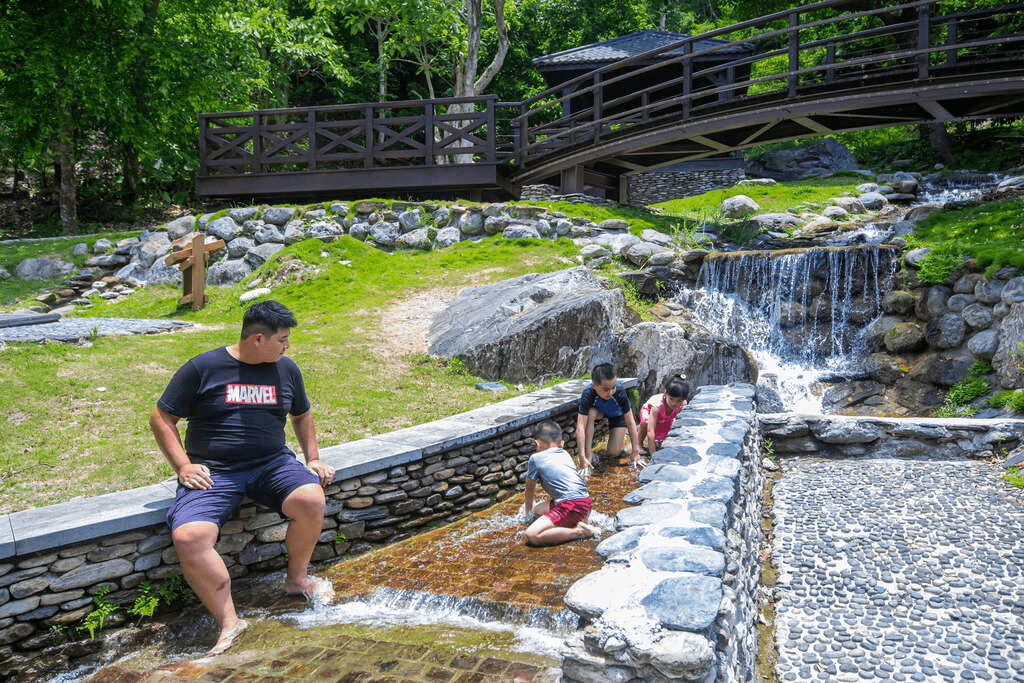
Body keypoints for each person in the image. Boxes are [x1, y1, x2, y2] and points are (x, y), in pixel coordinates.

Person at [149, 300, 336, 657]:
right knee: (190, 536)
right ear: (256, 340)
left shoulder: (287, 370)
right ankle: (229, 622)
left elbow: (302, 414)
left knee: (310, 498)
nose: (287, 346)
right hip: (214, 471)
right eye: (282, 339)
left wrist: (312, 458)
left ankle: (297, 580)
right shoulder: (203, 368)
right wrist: (183, 467)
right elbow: (161, 417)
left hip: (271, 464)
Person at [520, 420, 598, 546]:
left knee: (532, 535)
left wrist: (527, 515)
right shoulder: (565, 454)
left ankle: (579, 532)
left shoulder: (535, 458)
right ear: (561, 443)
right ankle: (579, 522)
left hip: (570, 506)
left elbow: (529, 490)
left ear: (537, 444)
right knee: (538, 510)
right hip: (585, 503)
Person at [575, 362, 641, 475]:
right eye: (606, 390)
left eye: (613, 388)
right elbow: (580, 428)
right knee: (590, 413)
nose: (610, 392)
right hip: (599, 412)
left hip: (616, 414)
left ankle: (619, 440)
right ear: (595, 386)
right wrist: (582, 456)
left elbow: (630, 421)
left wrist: (636, 451)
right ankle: (588, 455)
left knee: (614, 453)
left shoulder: (619, 391)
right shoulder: (588, 393)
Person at [637, 375, 690, 456]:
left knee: (666, 430)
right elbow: (650, 432)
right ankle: (639, 444)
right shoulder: (657, 405)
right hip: (649, 411)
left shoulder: (683, 405)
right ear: (665, 393)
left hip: (665, 415)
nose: (674, 403)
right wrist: (653, 454)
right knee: (645, 424)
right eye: (671, 399)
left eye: (679, 400)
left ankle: (659, 443)